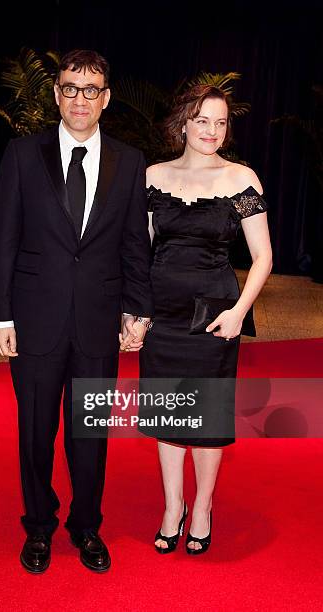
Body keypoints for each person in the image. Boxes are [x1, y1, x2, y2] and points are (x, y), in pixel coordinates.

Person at [0, 49, 153, 573]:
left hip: (97, 323)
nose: (80, 99)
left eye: (91, 90)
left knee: (90, 435)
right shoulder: (20, 155)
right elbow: (6, 240)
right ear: (57, 94)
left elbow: (134, 244)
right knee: (35, 431)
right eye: (69, 88)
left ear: (105, 99)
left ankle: (86, 526)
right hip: (35, 321)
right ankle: (38, 525)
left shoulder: (129, 162)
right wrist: (2, 316)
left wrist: (137, 309)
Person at [137, 84, 272, 554]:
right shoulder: (152, 176)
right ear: (184, 123)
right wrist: (135, 312)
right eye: (202, 120)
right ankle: (172, 505)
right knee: (167, 412)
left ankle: (204, 506)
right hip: (162, 315)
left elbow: (262, 256)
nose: (211, 131)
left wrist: (238, 313)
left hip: (214, 314)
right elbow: (139, 252)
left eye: (220, 122)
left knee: (207, 417)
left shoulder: (242, 180)